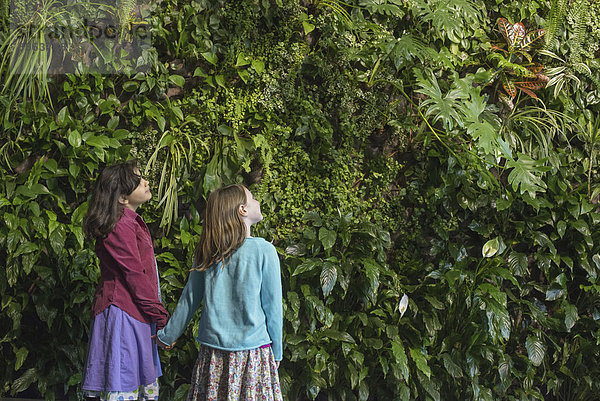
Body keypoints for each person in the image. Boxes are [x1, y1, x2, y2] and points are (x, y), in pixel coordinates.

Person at [155, 184, 283, 401]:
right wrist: (277, 351)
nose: (258, 202)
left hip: (213, 356)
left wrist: (167, 337)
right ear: (242, 209)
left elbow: (190, 299)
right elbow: (273, 308)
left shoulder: (208, 251)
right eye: (252, 198)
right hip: (253, 355)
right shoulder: (265, 251)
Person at [81, 160, 169, 401]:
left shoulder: (129, 222)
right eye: (138, 180)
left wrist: (153, 313)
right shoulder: (120, 225)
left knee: (132, 384)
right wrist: (159, 314)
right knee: (123, 383)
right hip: (123, 313)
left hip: (135, 313)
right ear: (121, 197)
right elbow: (133, 273)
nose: (146, 182)